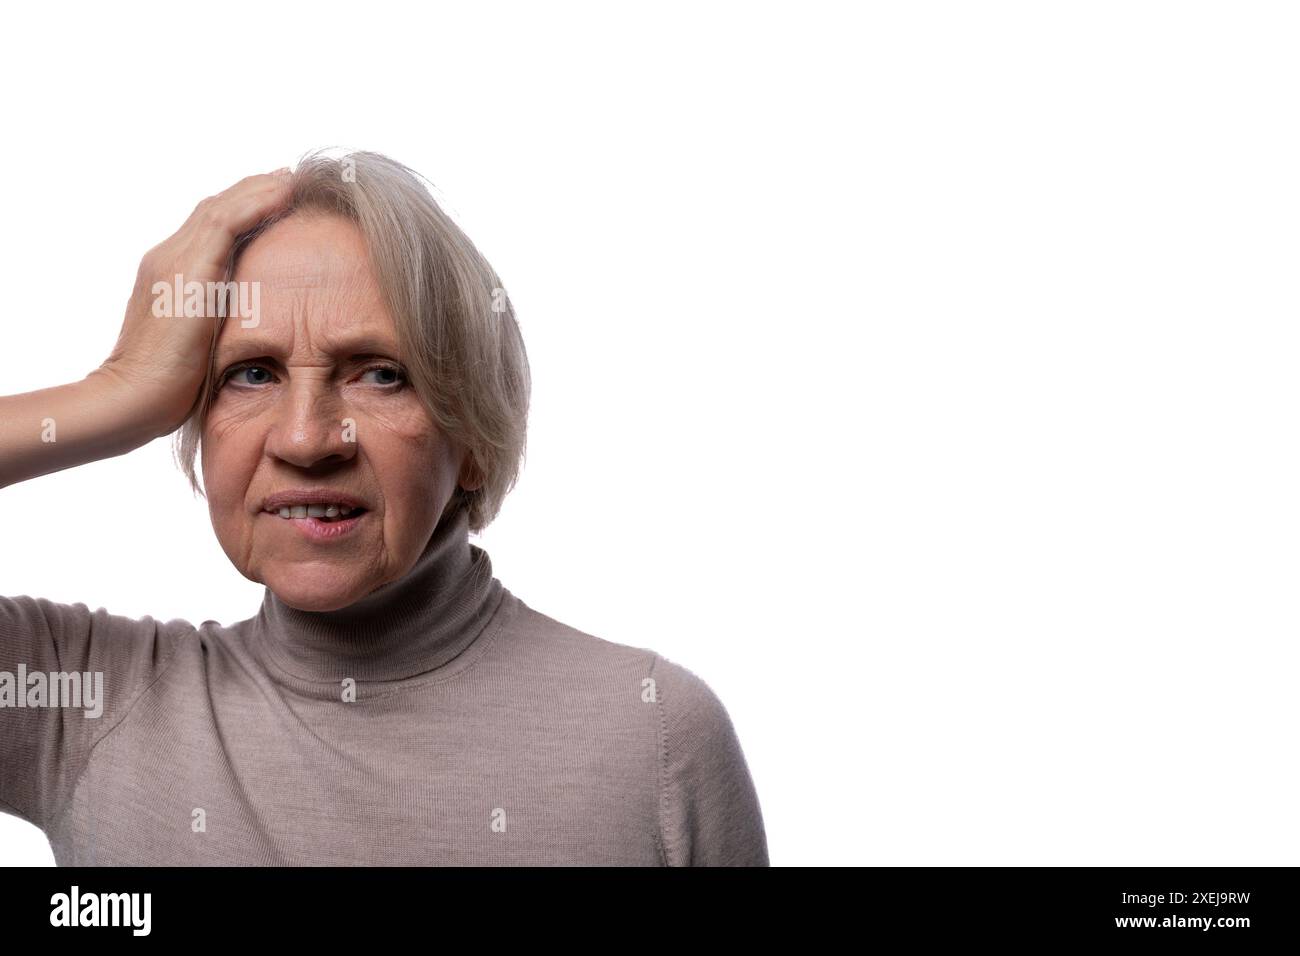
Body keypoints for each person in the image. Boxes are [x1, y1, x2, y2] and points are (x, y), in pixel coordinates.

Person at [0, 149, 769, 865]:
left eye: (380, 374)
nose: (306, 440)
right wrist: (116, 391)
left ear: (471, 432)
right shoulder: (82, 702)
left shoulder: (657, 739)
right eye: (253, 375)